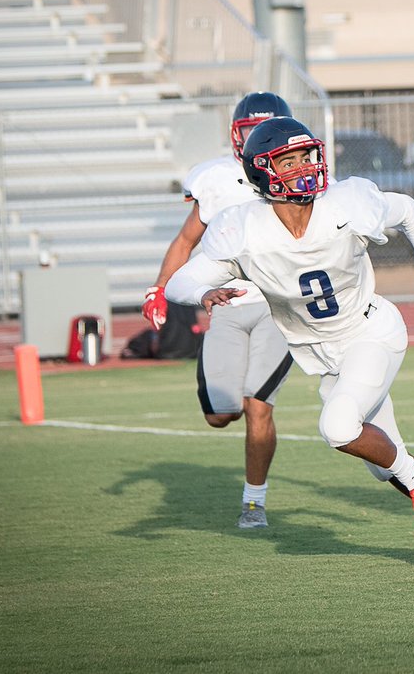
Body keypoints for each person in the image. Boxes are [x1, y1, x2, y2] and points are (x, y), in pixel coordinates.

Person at [164, 117, 414, 565]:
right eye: (288, 160)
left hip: (370, 332)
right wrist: (204, 291)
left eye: (306, 156)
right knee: (385, 466)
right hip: (324, 358)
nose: (302, 167)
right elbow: (178, 283)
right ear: (262, 171)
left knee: (339, 428)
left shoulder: (347, 202)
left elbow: (409, 212)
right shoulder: (240, 226)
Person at [141, 91, 295, 530]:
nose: (256, 143)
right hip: (226, 305)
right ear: (235, 136)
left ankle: (253, 502)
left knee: (257, 404)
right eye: (249, 133)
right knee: (220, 415)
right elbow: (185, 240)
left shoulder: (299, 176)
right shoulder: (216, 178)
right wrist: (159, 287)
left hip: (276, 306)